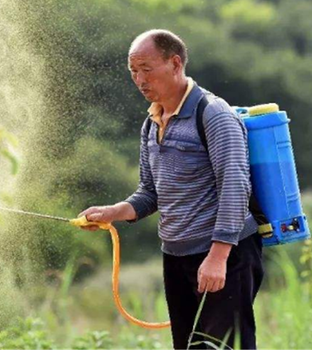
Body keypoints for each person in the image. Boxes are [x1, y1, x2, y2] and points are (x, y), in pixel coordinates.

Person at [79, 29, 264, 349]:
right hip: (176, 256)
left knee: (224, 347)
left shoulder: (214, 114)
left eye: (146, 69)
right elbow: (150, 193)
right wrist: (113, 212)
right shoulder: (152, 123)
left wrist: (218, 256)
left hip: (223, 255)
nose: (139, 79)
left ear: (175, 63)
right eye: (133, 71)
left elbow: (235, 185)